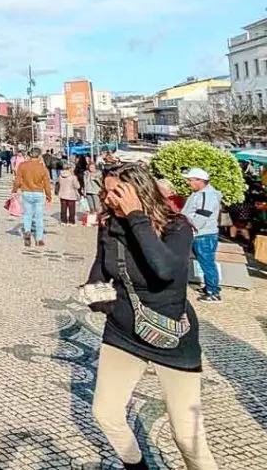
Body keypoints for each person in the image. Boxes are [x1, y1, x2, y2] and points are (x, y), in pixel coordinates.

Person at [85, 163, 218, 470]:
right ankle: (137, 466)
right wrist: (95, 291)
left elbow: (165, 271)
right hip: (122, 333)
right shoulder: (109, 224)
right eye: (105, 190)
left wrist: (135, 217)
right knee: (105, 413)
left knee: (187, 436)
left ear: (138, 192)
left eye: (117, 192)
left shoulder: (177, 227)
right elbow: (101, 265)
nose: (107, 198)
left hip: (172, 336)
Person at [181, 168, 223, 304]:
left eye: (191, 180)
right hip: (202, 233)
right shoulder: (200, 193)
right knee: (207, 262)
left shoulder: (206, 195)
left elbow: (202, 216)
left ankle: (213, 292)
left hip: (203, 234)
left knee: (207, 263)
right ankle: (210, 287)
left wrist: (190, 226)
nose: (189, 182)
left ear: (200, 181)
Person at [12, 147, 53, 248]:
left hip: (26, 192)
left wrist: (14, 190)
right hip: (39, 193)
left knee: (27, 215)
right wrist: (49, 195)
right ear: (39, 156)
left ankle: (27, 232)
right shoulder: (43, 168)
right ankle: (39, 239)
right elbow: (47, 183)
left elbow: (17, 180)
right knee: (39, 217)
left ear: (30, 155)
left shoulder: (22, 165)